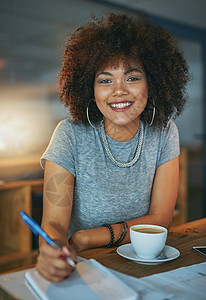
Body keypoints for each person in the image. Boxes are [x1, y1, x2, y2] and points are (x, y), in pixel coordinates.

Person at [36, 12, 189, 282]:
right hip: (84, 266)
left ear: (152, 83)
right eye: (105, 80)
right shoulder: (69, 135)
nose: (119, 90)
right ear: (90, 90)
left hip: (144, 263)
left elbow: (161, 219)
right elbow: (55, 224)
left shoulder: (165, 132)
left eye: (132, 78)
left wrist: (85, 236)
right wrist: (52, 250)